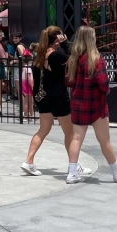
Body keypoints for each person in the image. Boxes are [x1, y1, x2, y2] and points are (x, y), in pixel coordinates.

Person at [65, 25, 117, 184]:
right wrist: (106, 90)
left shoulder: (72, 59)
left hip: (78, 103)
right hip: (96, 103)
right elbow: (103, 82)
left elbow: (68, 81)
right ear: (91, 39)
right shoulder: (96, 58)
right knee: (104, 140)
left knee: (76, 138)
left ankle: (72, 173)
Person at [21, 25, 73, 175]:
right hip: (58, 97)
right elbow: (72, 61)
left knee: (43, 130)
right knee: (70, 133)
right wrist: (64, 45)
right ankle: (73, 164)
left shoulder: (38, 57)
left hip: (42, 97)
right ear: (57, 39)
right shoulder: (56, 56)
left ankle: (28, 160)